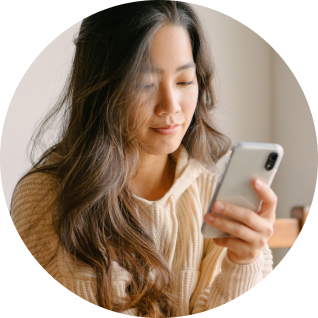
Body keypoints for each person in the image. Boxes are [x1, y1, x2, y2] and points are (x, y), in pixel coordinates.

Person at [10, 1, 275, 317]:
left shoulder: (211, 195)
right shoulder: (46, 199)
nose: (170, 105)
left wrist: (242, 263)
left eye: (184, 81)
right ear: (102, 88)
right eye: (145, 83)